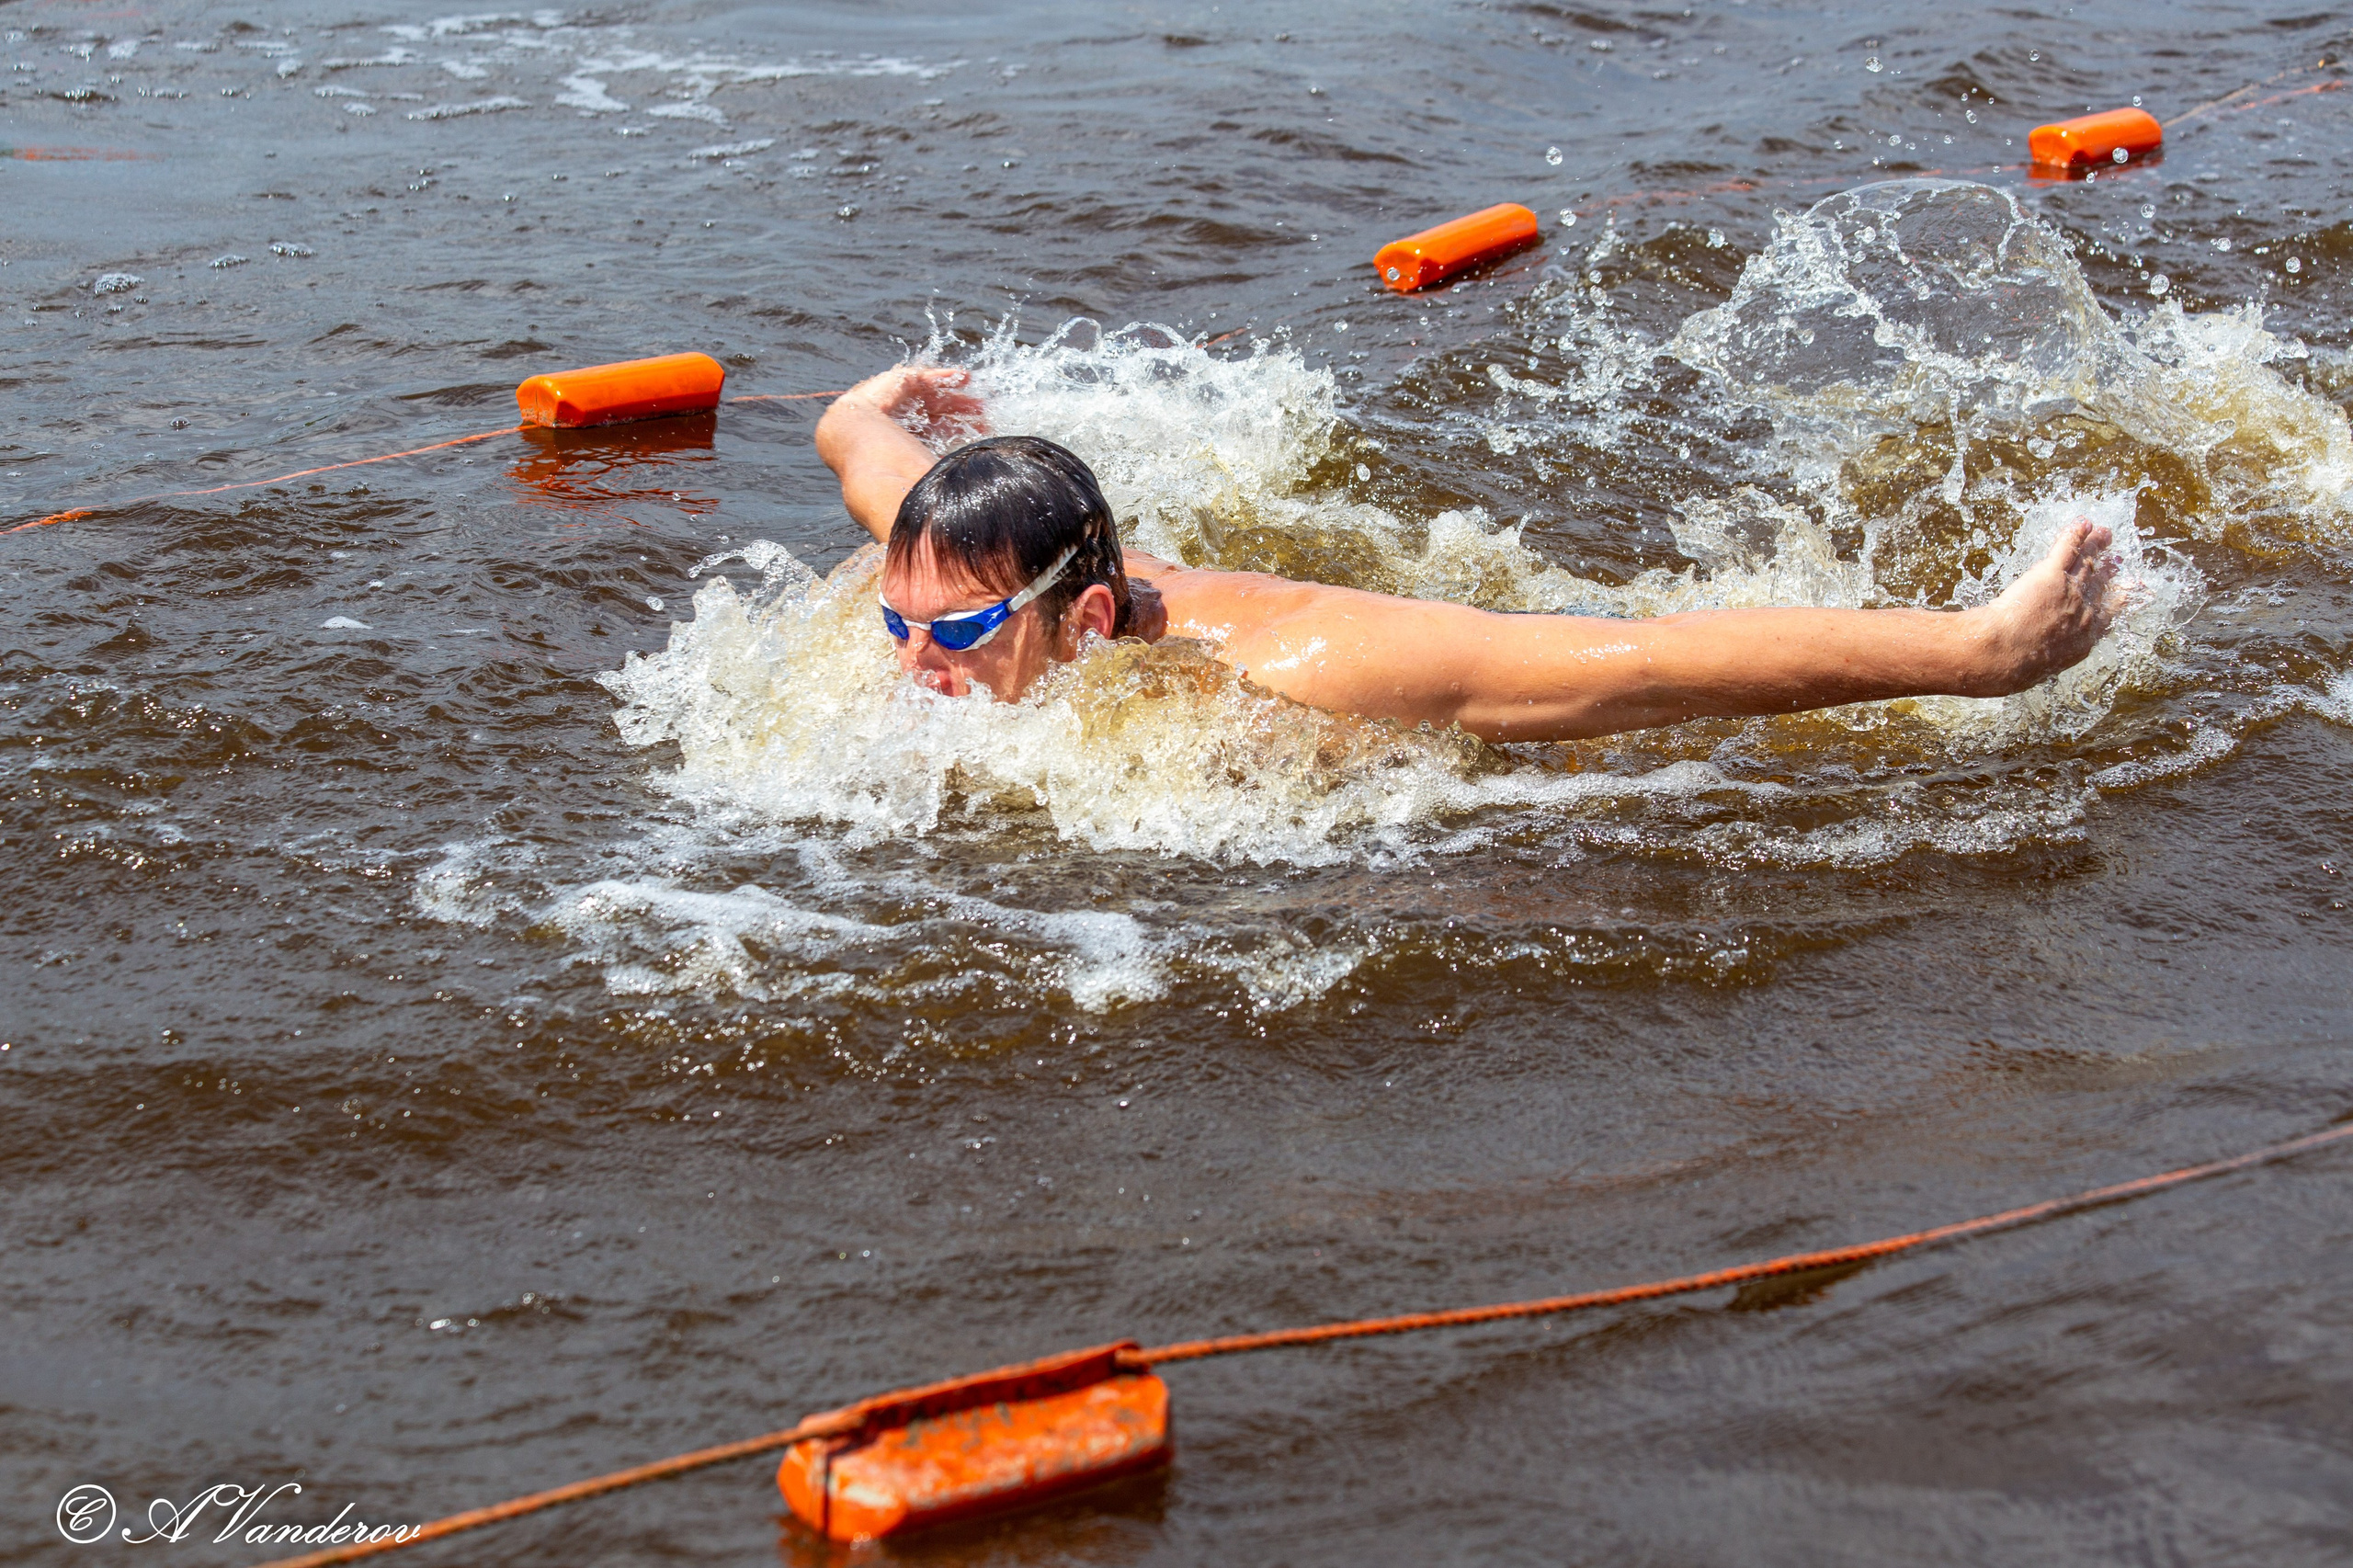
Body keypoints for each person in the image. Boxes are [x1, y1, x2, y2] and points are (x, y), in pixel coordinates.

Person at [813, 364, 2122, 744]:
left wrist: (1982, 653)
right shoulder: (952, 567)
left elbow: (1653, 666)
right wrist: (872, 408)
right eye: (900, 627)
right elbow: (855, 449)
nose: (915, 663)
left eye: (963, 636)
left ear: (1086, 621)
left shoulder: (1295, 672)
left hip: (1473, 632)